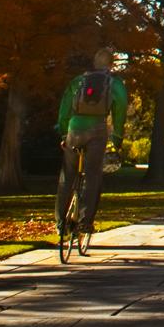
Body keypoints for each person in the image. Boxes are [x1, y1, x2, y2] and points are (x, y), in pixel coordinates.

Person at [56, 48, 128, 235]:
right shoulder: (115, 83)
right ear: (111, 65)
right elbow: (120, 110)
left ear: (94, 63)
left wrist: (64, 134)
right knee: (93, 175)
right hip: (97, 130)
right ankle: (84, 222)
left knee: (67, 176)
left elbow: (64, 109)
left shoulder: (78, 81)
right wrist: (117, 138)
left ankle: (60, 222)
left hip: (75, 128)